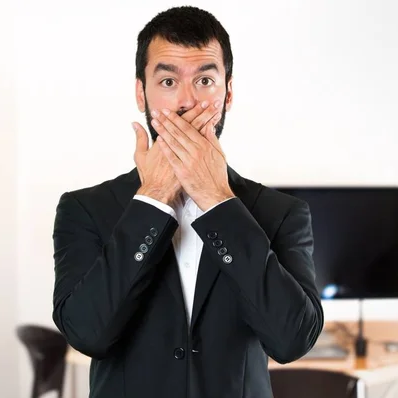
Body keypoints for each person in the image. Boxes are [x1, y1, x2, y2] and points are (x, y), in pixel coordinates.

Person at [52, 6, 323, 398]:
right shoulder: (84, 210)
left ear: (228, 93)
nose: (185, 101)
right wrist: (153, 197)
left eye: (205, 80)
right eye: (166, 81)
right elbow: (87, 334)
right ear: (139, 93)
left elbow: (293, 340)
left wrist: (216, 199)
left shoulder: (281, 214)